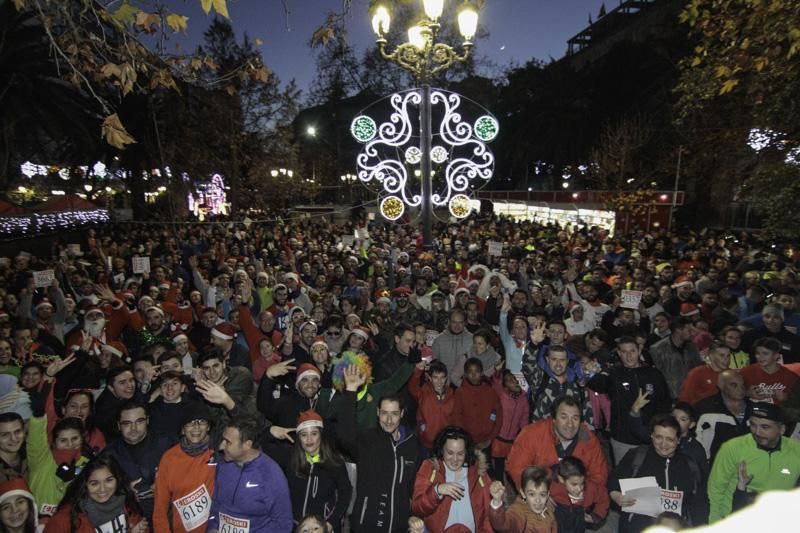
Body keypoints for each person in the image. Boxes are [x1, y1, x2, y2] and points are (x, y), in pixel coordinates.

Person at [337, 366, 419, 533]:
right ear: (377, 413)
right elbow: (344, 436)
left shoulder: (412, 445)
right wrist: (351, 390)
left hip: (399, 525)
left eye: (394, 414)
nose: (389, 420)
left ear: (402, 414)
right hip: (366, 524)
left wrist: (413, 515)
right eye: (384, 413)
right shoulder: (367, 440)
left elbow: (414, 489)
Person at [609, 414, 707, 532]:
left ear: (678, 440)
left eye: (670, 439)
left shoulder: (690, 466)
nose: (663, 444)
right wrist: (615, 494)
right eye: (658, 437)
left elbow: (699, 503)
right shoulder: (636, 456)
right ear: (651, 435)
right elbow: (614, 479)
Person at [707, 402, 800, 522]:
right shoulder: (732, 448)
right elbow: (715, 489)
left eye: (765, 427)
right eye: (753, 425)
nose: (757, 432)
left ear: (781, 429)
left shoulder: (796, 451)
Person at [587, 337, 671, 464]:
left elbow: (665, 404)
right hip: (623, 438)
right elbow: (596, 384)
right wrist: (590, 372)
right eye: (624, 352)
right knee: (625, 476)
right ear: (619, 353)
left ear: (639, 351)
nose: (628, 356)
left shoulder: (654, 374)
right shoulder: (613, 374)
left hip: (651, 437)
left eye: (632, 351)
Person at [208, 415, 293, 532]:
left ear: (247, 445)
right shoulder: (223, 465)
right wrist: (212, 528)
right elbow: (215, 505)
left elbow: (283, 524)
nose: (221, 446)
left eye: (228, 442)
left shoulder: (272, 475)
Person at [506, 396, 608, 491]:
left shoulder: (589, 440)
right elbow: (516, 468)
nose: (570, 424)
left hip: (576, 495)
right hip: (539, 493)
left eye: (575, 418)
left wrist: (584, 497)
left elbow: (599, 477)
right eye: (564, 417)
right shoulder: (532, 434)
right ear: (554, 419)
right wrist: (536, 494)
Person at [409, 426, 493, 533]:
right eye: (450, 453)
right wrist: (437, 491)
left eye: (460, 453)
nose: (455, 459)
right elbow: (417, 507)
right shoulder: (430, 469)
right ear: (441, 450)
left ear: (466, 452)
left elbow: (487, 517)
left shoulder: (479, 472)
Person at [102, 401, 172, 525]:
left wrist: (165, 486)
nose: (133, 428)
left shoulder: (166, 445)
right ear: (119, 425)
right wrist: (123, 492)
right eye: (127, 424)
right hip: (130, 521)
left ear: (147, 421)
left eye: (139, 421)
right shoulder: (108, 455)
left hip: (167, 517)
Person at [281, 411, 351, 533]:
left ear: (321, 435)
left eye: (314, 433)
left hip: (324, 527)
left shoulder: (335, 462)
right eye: (304, 435)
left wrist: (333, 522)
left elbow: (346, 492)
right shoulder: (290, 460)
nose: (309, 439)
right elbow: (260, 446)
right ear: (298, 438)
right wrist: (271, 431)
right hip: (295, 526)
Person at [153, 402, 216, 533]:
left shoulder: (219, 452)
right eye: (190, 422)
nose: (196, 427)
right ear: (182, 429)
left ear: (209, 427)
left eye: (202, 421)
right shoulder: (169, 458)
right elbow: (160, 511)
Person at [44, 454, 147, 532]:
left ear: (118, 479)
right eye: (94, 483)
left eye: (109, 480)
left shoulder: (127, 502)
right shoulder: (65, 519)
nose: (102, 489)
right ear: (85, 485)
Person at [694, 369, 755, 462]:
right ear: (721, 386)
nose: (740, 389)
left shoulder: (754, 409)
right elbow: (696, 440)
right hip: (717, 465)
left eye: (742, 385)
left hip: (751, 463)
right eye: (733, 385)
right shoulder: (705, 409)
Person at [407, 360, 457, 456]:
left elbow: (455, 418)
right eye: (435, 377)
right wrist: (418, 371)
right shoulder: (423, 392)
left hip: (445, 442)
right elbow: (412, 387)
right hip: (426, 442)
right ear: (429, 378)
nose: (439, 381)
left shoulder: (452, 395)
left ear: (446, 378)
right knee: (426, 468)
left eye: (442, 377)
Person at [453, 358, 503, 452]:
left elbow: (499, 415)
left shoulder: (490, 391)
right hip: (466, 441)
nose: (473, 375)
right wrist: (465, 438)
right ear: (465, 374)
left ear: (481, 373)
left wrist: (489, 439)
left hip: (486, 441)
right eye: (470, 372)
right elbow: (456, 417)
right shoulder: (460, 392)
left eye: (476, 371)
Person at [488, 465, 557, 532]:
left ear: (548, 495)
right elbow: (502, 524)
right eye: (532, 494)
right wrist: (497, 501)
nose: (538, 500)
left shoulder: (549, 512)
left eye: (542, 495)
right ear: (523, 493)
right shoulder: (519, 513)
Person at [550, 457, 609, 533]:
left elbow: (603, 497)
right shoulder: (553, 485)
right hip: (557, 521)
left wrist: (596, 515)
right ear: (561, 479)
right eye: (574, 484)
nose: (579, 489)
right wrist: (547, 497)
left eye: (582, 483)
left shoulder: (590, 488)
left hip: (578, 521)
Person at [649, 317, 703, 399]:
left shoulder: (692, 347)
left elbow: (698, 369)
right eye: (689, 330)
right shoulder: (658, 349)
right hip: (668, 397)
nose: (692, 333)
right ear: (678, 330)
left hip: (691, 394)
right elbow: (658, 376)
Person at [740, 337, 799, 405]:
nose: (760, 357)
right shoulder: (745, 372)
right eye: (758, 353)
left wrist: (786, 398)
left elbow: (796, 403)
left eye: (765, 353)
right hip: (752, 411)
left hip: (780, 413)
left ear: (776, 356)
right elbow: (731, 393)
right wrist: (748, 393)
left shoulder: (791, 376)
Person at [678, 341, 732, 405]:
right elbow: (685, 398)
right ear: (711, 356)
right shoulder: (697, 373)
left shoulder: (731, 374)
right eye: (722, 355)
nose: (726, 359)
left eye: (728, 356)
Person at [431, 309, 473, 380]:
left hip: (464, 385)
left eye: (460, 322)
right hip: (443, 385)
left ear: (465, 323)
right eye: (454, 322)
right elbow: (434, 365)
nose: (457, 326)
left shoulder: (472, 340)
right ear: (449, 322)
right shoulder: (439, 340)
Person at [0, 414, 26, 484]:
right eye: (5, 434)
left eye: (17, 431)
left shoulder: (32, 457)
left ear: (24, 431)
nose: (13, 438)